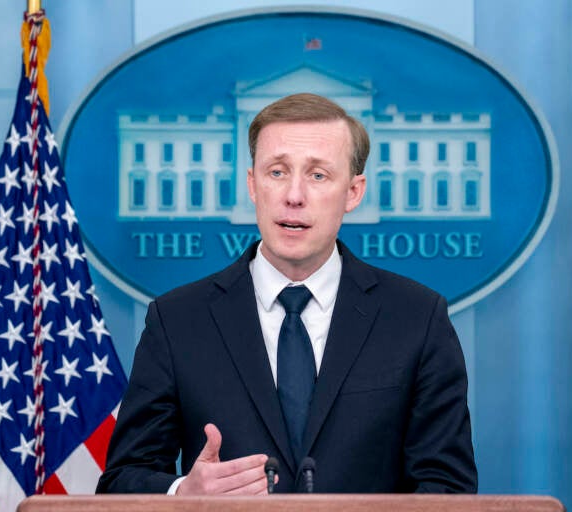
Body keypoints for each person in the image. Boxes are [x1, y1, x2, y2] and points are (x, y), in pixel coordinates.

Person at [96, 93, 477, 495]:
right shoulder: (177, 321)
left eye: (317, 175)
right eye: (277, 172)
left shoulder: (417, 318)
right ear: (252, 184)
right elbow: (121, 481)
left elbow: (448, 487)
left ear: (353, 192)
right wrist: (182, 494)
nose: (294, 195)